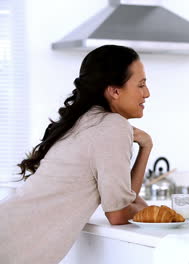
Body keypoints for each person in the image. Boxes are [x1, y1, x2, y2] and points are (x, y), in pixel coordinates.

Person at [0, 45, 152, 263]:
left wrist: (145, 147)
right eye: (141, 85)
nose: (146, 93)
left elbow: (123, 199)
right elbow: (118, 214)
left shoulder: (84, 120)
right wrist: (153, 212)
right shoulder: (111, 126)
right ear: (115, 91)